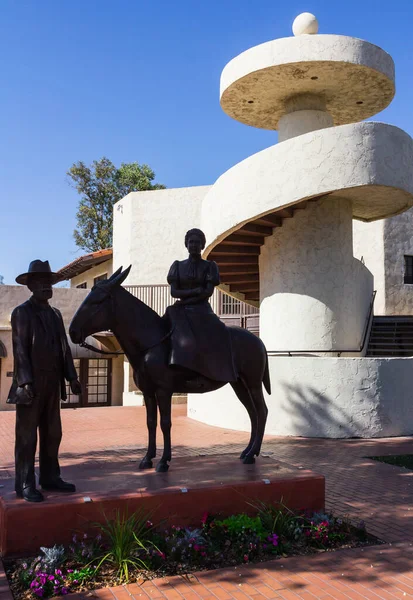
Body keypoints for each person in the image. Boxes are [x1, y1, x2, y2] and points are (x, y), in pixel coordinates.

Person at [7, 260, 82, 502]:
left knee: (53, 433)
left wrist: (72, 377)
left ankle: (50, 477)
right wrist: (25, 382)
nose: (45, 287)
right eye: (40, 283)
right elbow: (19, 350)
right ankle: (26, 483)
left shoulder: (56, 314)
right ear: (30, 286)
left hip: (52, 382)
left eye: (48, 283)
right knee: (27, 437)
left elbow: (64, 348)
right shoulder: (21, 313)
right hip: (31, 384)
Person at [166, 228, 237, 384]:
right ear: (186, 244)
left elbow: (207, 293)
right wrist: (195, 291)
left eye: (197, 242)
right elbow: (174, 292)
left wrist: (187, 297)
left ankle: (216, 368)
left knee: (217, 333)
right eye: (191, 242)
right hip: (181, 309)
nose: (194, 245)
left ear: (202, 245)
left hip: (202, 310)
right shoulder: (177, 266)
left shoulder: (210, 266)